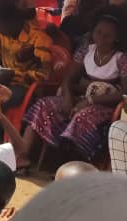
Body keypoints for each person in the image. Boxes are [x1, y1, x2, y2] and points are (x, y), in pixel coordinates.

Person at [24, 13, 127, 161]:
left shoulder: (121, 58)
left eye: (108, 36)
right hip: (80, 97)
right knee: (43, 104)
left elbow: (124, 93)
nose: (101, 38)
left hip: (105, 105)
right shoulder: (86, 50)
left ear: (116, 38)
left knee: (82, 117)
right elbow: (68, 78)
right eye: (98, 32)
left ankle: (69, 164)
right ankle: (23, 155)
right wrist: (67, 97)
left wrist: (91, 100)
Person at [0, 0, 51, 108]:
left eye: (1, 25)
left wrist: (13, 75)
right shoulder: (1, 33)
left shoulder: (39, 39)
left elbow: (45, 75)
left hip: (23, 86)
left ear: (14, 21)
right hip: (1, 81)